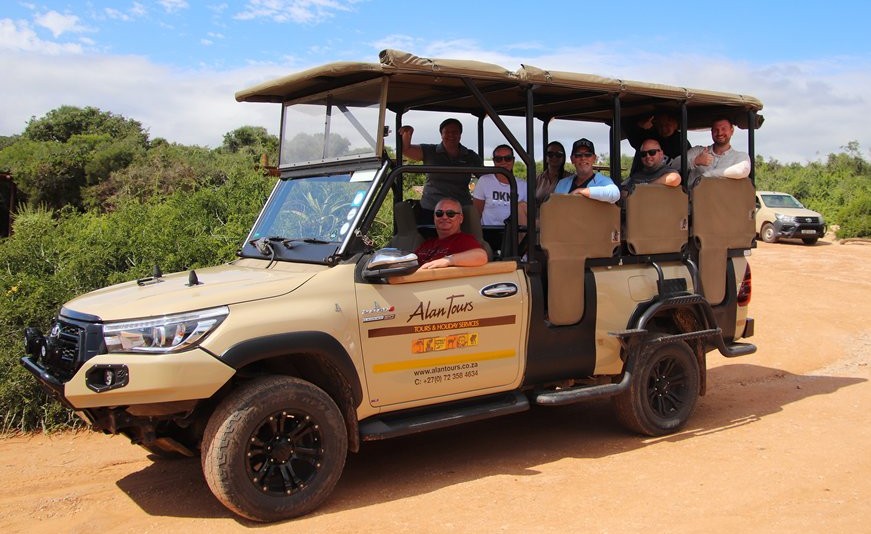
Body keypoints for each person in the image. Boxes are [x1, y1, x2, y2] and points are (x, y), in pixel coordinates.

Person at [399, 119, 483, 223]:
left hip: (460, 210)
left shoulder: (470, 156)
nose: (451, 135)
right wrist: (408, 133)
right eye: (447, 132)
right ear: (441, 134)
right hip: (431, 209)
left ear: (460, 134)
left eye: (455, 132)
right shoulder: (429, 151)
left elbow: (485, 178)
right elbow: (406, 150)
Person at [414, 198, 488, 269]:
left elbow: (481, 256)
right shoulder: (427, 244)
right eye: (439, 213)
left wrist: (448, 260)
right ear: (434, 217)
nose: (444, 217)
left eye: (450, 213)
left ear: (461, 218)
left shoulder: (464, 240)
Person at [678, 117, 751, 187]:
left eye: (723, 129)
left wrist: (708, 175)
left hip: (725, 195)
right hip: (695, 195)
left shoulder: (740, 156)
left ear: (732, 131)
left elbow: (742, 171)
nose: (719, 133)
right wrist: (695, 161)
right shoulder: (697, 151)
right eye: (716, 130)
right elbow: (674, 166)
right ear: (711, 132)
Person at [472, 144, 528, 227]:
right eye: (498, 159)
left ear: (513, 160)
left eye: (508, 158)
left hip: (515, 232)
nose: (503, 162)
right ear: (494, 161)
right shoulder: (484, 181)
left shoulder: (523, 185)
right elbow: (477, 212)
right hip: (489, 231)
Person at [553, 138, 620, 203]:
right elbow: (555, 205)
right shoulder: (563, 183)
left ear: (594, 158)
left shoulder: (602, 181)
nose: (583, 158)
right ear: (572, 159)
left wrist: (581, 191)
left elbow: (615, 193)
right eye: (578, 155)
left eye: (588, 155)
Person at [624, 111, 690, 174]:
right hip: (639, 177)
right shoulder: (648, 136)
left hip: (668, 179)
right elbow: (632, 135)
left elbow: (688, 163)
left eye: (667, 125)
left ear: (675, 124)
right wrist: (640, 125)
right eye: (660, 125)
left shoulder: (681, 141)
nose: (664, 129)